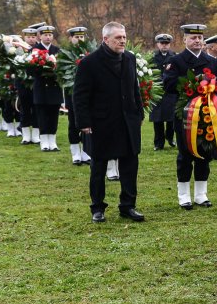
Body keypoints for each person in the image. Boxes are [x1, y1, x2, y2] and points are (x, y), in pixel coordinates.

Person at [73, 22, 145, 223]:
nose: (122, 41)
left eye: (124, 37)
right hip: (101, 123)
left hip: (127, 121)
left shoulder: (129, 58)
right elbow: (79, 96)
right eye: (118, 38)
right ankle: (97, 207)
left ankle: (128, 205)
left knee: (130, 165)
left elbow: (134, 88)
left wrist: (138, 113)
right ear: (105, 39)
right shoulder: (89, 63)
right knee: (98, 168)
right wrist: (84, 123)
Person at [162, 24, 217, 209]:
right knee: (185, 155)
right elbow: (169, 84)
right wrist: (192, 83)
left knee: (204, 153)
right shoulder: (177, 61)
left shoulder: (212, 61)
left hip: (207, 114)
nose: (197, 41)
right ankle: (183, 195)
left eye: (200, 37)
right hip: (185, 114)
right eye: (193, 38)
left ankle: (201, 194)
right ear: (184, 40)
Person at [32, 25, 63, 152]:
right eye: (45, 35)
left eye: (50, 35)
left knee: (53, 115)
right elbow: (31, 70)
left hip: (54, 87)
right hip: (41, 88)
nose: (48, 37)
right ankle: (44, 141)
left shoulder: (57, 50)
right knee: (42, 114)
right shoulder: (35, 50)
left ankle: (53, 140)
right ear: (40, 36)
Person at [65, 27, 93, 165]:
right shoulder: (65, 54)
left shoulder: (90, 52)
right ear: (70, 38)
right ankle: (75, 152)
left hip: (88, 94)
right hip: (72, 93)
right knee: (73, 122)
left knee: (88, 121)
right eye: (76, 37)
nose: (79, 40)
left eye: (82, 37)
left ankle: (86, 152)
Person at [149, 34, 177, 150]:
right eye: (162, 43)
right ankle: (158, 143)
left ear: (169, 44)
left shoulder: (174, 56)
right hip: (157, 91)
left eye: (166, 43)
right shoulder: (152, 57)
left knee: (171, 118)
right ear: (158, 44)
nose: (164, 45)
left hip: (170, 90)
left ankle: (170, 138)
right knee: (158, 119)